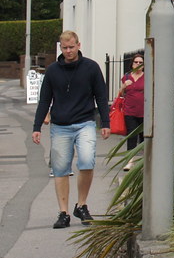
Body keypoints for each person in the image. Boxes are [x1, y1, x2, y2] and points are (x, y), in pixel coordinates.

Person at [32, 31, 110, 229]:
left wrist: (106, 123)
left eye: (72, 47)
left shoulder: (91, 68)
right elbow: (44, 100)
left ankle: (81, 205)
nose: (68, 51)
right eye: (65, 48)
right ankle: (64, 212)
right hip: (60, 126)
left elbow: (101, 96)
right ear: (61, 48)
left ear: (78, 45)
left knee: (86, 161)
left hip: (85, 123)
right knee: (60, 169)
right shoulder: (52, 71)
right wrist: (37, 127)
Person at [117, 54, 145, 170]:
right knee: (132, 136)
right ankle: (130, 161)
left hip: (144, 111)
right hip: (130, 111)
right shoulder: (127, 77)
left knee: (144, 137)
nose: (138, 64)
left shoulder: (147, 76)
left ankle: (144, 161)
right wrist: (124, 86)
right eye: (136, 62)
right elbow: (121, 94)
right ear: (132, 64)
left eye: (140, 62)